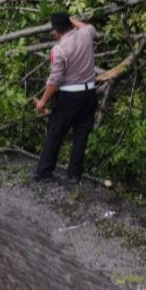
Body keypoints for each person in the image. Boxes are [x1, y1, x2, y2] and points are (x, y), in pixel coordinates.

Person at [31, 12, 98, 184]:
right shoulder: (86, 33)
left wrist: (42, 102)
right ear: (70, 24)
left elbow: (55, 81)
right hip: (89, 92)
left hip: (69, 96)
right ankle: (74, 174)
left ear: (56, 31)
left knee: (56, 132)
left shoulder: (59, 50)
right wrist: (72, 20)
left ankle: (44, 171)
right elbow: (88, 27)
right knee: (81, 134)